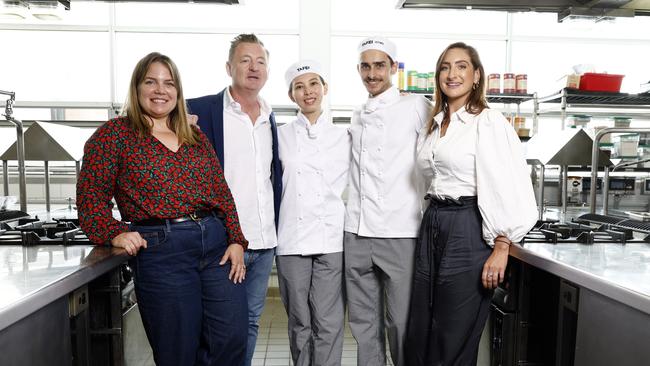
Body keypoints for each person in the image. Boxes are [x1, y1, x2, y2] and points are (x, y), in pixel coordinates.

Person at [76, 52, 248, 366]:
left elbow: (222, 194)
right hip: (162, 250)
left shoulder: (193, 136)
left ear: (178, 92)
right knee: (177, 350)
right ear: (137, 87)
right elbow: (91, 202)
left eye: (169, 83)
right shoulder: (114, 135)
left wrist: (236, 239)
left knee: (231, 339)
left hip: (216, 248)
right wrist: (115, 232)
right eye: (151, 81)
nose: (160, 90)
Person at [405, 42, 538, 366]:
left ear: (477, 76)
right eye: (446, 67)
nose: (452, 74)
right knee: (421, 330)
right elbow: (425, 181)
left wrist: (502, 244)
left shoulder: (488, 122)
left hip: (468, 227)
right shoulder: (435, 125)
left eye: (462, 66)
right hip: (433, 223)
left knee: (452, 334)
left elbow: (510, 185)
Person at [186, 33, 282, 366]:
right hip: (223, 241)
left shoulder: (271, 118)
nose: (253, 67)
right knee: (219, 327)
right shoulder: (198, 111)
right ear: (229, 67)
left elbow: (271, 180)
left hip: (264, 240)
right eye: (245, 60)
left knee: (250, 322)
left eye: (261, 61)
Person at [344, 36, 433, 366]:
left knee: (400, 321)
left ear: (393, 68)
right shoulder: (357, 114)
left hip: (400, 231)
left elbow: (436, 155)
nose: (372, 73)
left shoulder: (416, 106)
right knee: (363, 324)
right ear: (358, 70)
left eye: (379, 65)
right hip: (356, 232)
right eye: (365, 66)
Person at [276, 60, 350, 366]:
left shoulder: (344, 136)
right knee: (300, 321)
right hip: (291, 239)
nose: (308, 92)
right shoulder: (279, 136)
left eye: (314, 84)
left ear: (325, 89)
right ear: (292, 95)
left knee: (329, 322)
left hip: (331, 237)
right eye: (299, 86)